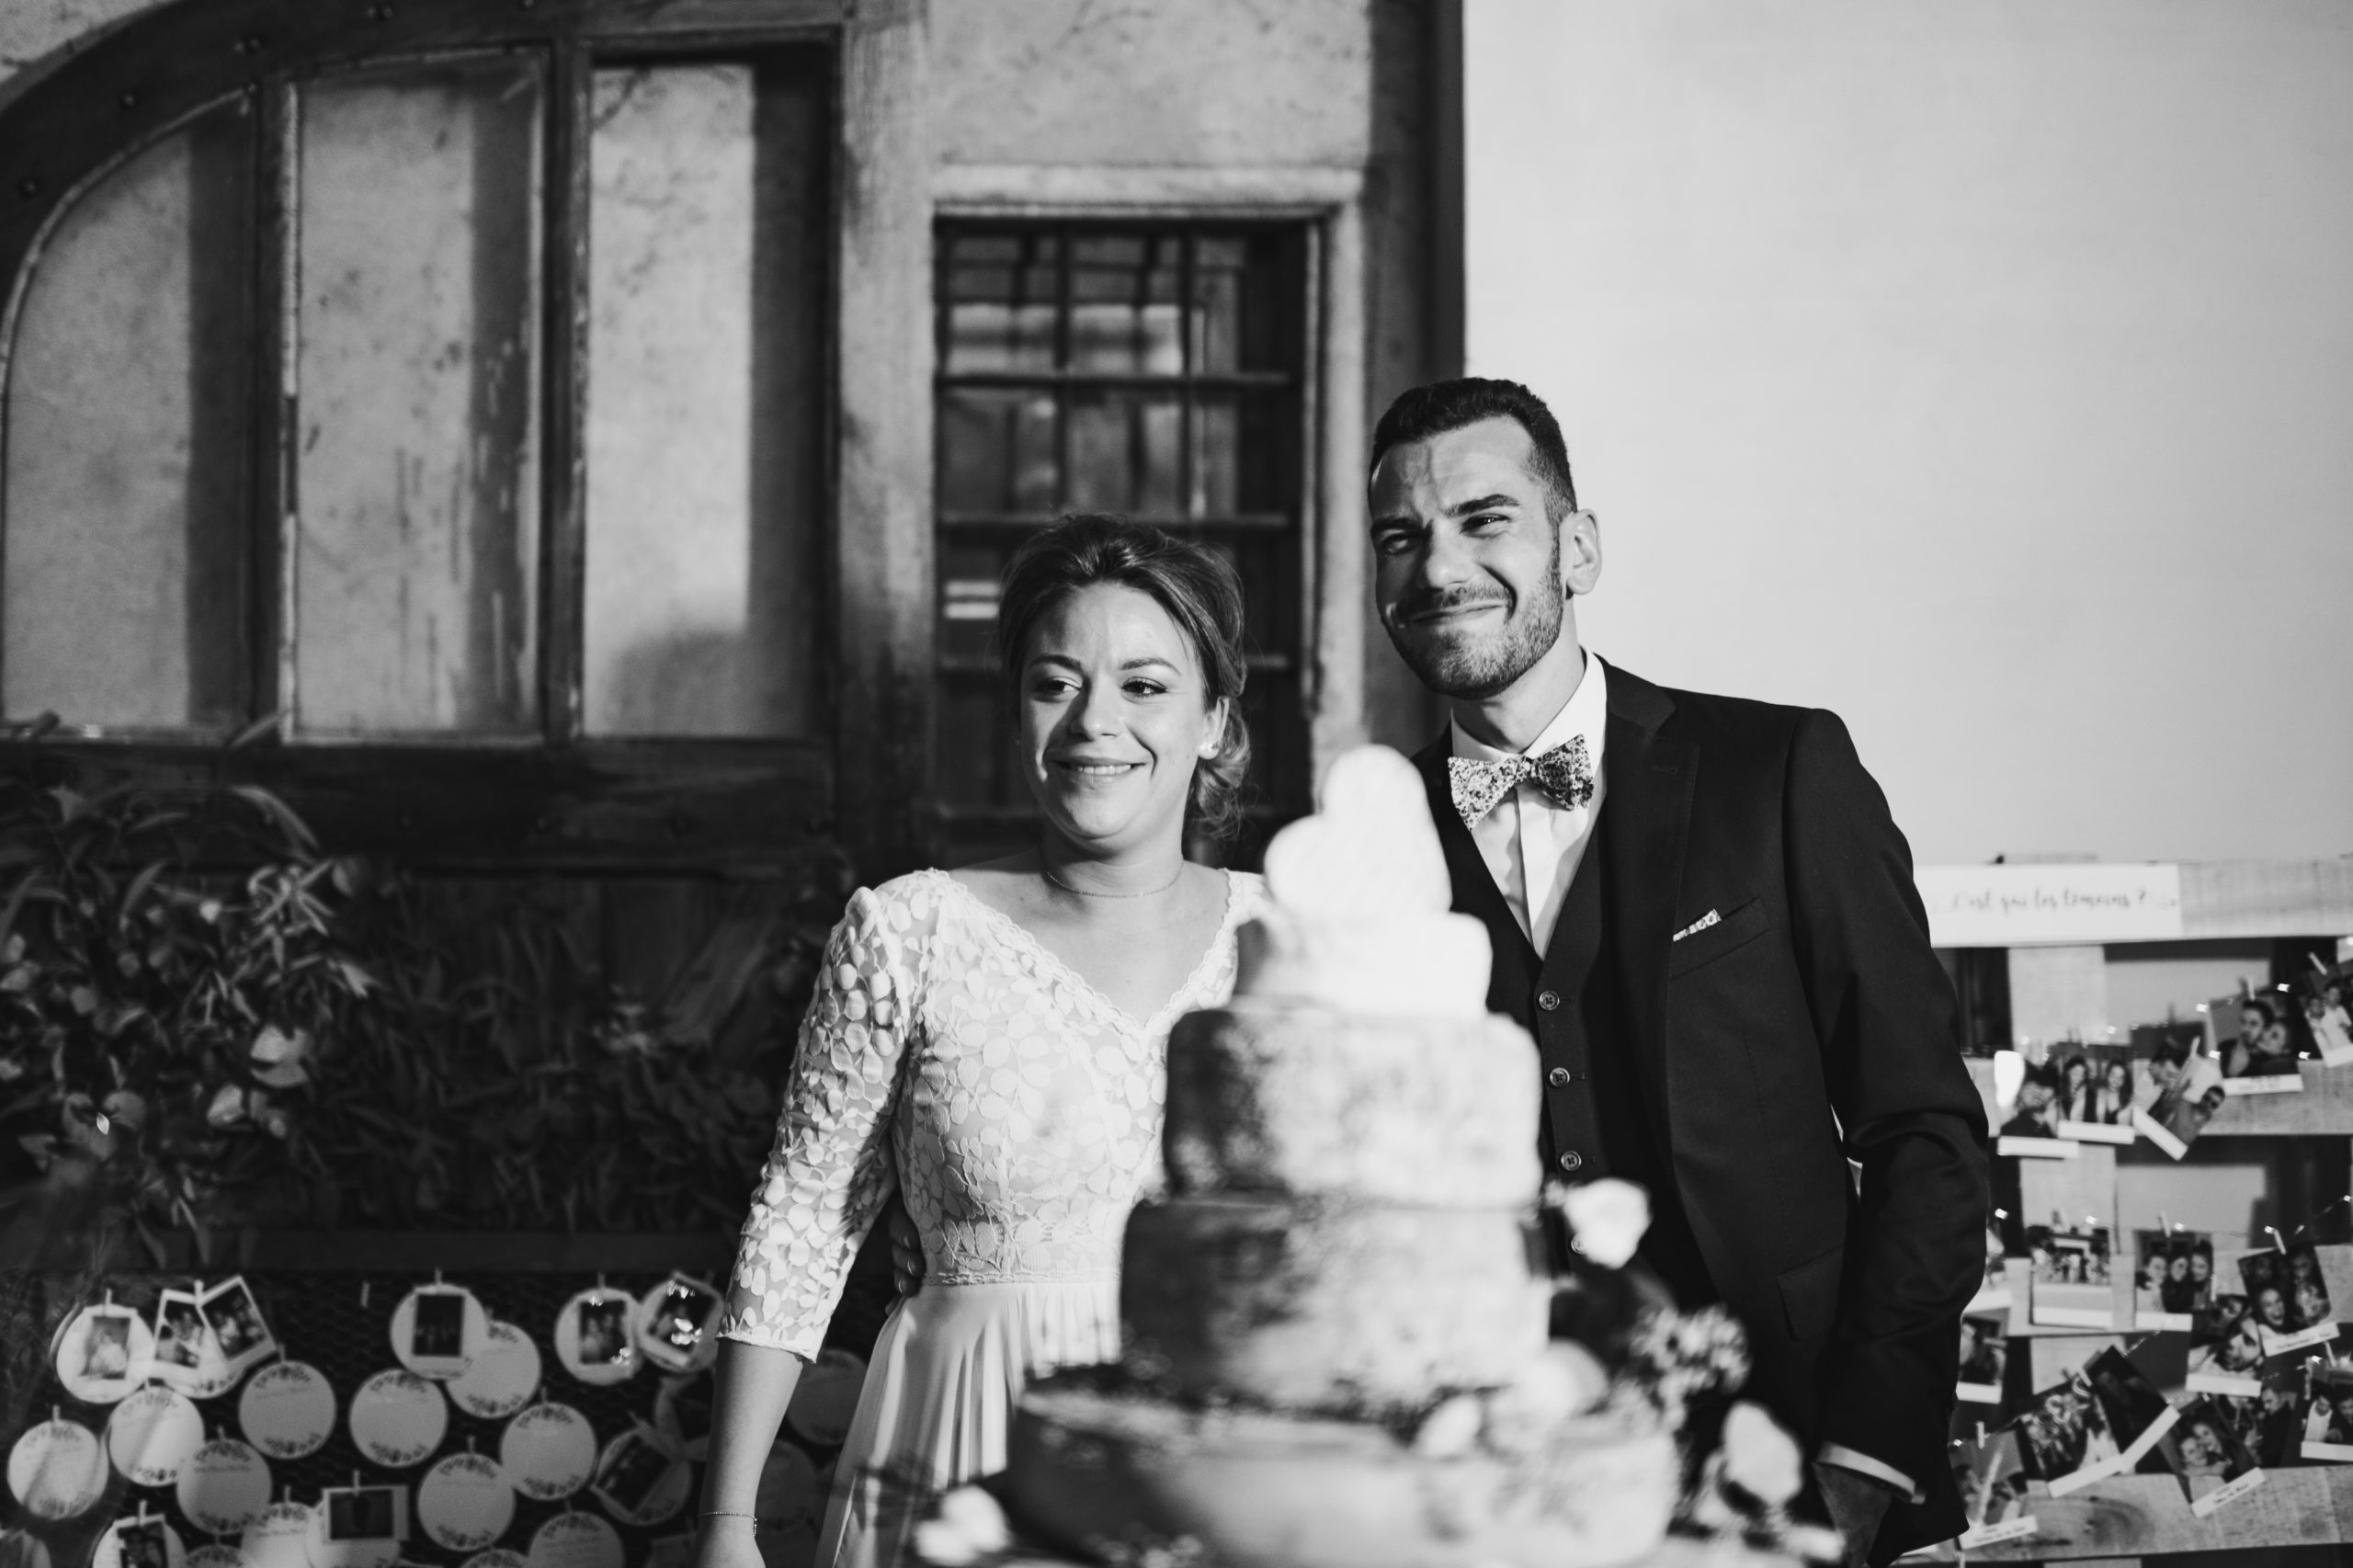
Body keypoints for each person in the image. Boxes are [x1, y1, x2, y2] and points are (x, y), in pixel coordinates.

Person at [1365, 378, 1989, 1563]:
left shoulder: (1779, 768)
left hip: (1793, 1450)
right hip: (1488, 1491)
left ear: (1578, 549)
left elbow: (1926, 1132)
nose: (1438, 566)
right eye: (1401, 536)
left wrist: (1863, 1453)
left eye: (1484, 519)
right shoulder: (1364, 841)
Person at [694, 518, 1265, 1568]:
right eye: (1055, 684)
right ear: (1016, 711)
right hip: (958, 1444)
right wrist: (727, 1522)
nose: (1095, 721)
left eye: (1144, 686)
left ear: (1214, 721)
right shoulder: (910, 931)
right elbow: (803, 1218)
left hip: (1217, 1462)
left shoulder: (1288, 940)